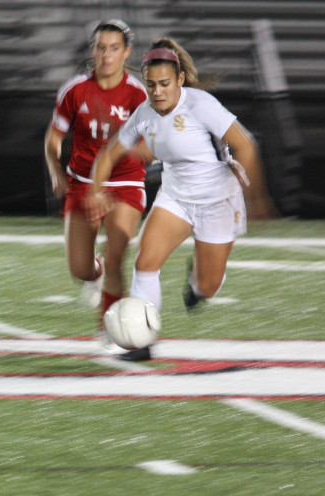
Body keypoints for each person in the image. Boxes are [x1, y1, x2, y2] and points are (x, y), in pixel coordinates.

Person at [87, 38, 269, 361]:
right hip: (175, 198)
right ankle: (142, 341)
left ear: (180, 80)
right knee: (145, 261)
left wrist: (256, 199)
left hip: (217, 201)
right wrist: (96, 190)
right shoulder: (144, 113)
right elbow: (109, 153)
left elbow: (247, 145)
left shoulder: (201, 105)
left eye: (165, 84)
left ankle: (197, 283)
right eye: (151, 84)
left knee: (208, 286)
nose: (157, 92)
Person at [44, 19, 148, 351]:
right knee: (80, 269)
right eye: (101, 48)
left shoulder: (138, 94)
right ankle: (96, 272)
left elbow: (151, 146)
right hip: (83, 183)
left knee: (117, 254)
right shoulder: (74, 90)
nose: (106, 55)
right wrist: (55, 168)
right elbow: (54, 138)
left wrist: (127, 155)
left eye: (114, 48)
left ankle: (110, 329)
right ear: (93, 50)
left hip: (125, 182)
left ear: (126, 52)